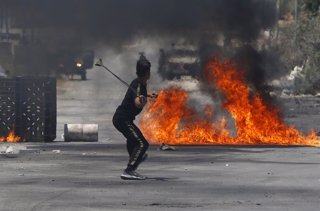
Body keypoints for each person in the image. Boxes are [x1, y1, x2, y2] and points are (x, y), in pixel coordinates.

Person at [112, 54, 153, 180]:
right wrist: (141, 100)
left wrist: (148, 95)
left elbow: (140, 94)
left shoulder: (138, 82)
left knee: (133, 140)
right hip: (122, 119)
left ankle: (135, 159)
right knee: (142, 144)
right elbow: (137, 102)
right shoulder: (139, 86)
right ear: (147, 73)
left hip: (122, 118)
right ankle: (129, 170)